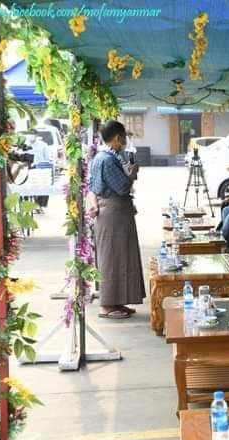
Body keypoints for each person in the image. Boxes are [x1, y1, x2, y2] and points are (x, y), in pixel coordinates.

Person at [88, 120, 145, 319]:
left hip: (114, 214)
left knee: (121, 258)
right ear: (118, 138)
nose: (125, 141)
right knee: (112, 259)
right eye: (124, 137)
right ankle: (107, 304)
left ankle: (117, 301)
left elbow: (92, 187)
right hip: (113, 213)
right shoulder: (107, 159)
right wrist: (132, 173)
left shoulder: (100, 157)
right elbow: (122, 187)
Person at [27, 132, 52, 209]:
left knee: (44, 184)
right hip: (29, 169)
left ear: (36, 136)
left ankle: (40, 204)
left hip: (41, 169)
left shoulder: (43, 145)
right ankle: (33, 204)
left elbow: (47, 159)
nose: (31, 136)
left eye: (32, 134)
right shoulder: (25, 145)